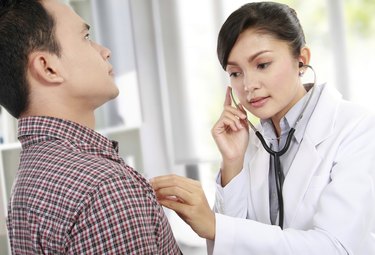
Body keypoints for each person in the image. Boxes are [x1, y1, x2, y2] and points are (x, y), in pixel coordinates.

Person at [151, 2, 375, 254]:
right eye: (235, 73)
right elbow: (231, 250)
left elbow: (336, 247)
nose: (248, 85)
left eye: (262, 65)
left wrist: (216, 226)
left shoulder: (356, 127)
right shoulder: (253, 142)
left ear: (301, 60)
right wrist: (232, 162)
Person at [0, 0, 181, 254]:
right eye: (86, 37)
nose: (105, 51)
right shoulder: (105, 188)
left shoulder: (26, 182)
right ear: (48, 67)